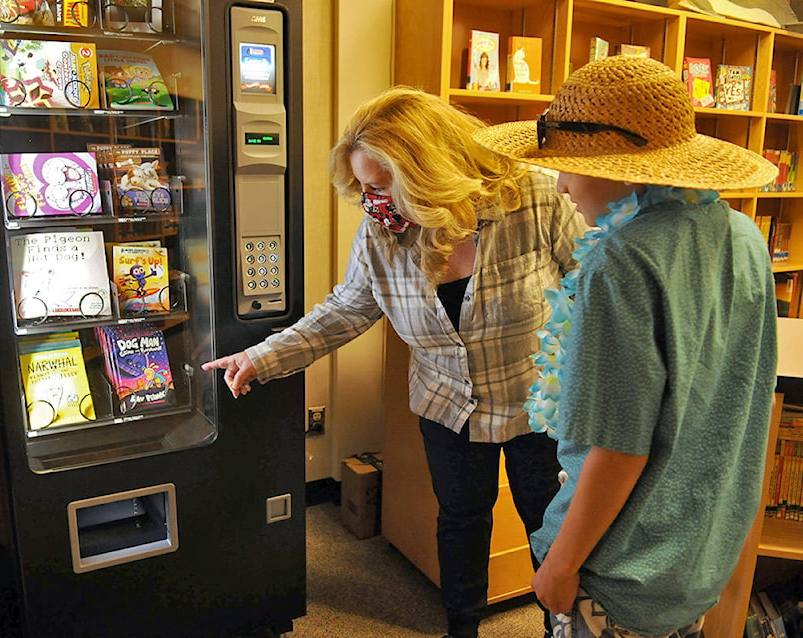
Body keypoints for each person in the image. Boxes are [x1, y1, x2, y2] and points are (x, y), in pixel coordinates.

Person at [202, 86, 587, 638]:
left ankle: (562, 626)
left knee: (549, 523)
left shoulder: (535, 196)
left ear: (429, 171)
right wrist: (262, 358)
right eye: (362, 187)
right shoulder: (382, 233)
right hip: (447, 401)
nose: (370, 202)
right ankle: (463, 627)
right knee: (460, 519)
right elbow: (345, 310)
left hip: (540, 400)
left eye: (380, 186)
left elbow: (595, 285)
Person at [474, 56, 779, 637]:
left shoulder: (621, 261)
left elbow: (617, 446)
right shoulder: (743, 234)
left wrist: (560, 564)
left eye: (572, 167)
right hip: (698, 546)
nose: (561, 186)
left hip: (622, 561)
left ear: (628, 168)